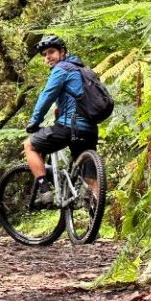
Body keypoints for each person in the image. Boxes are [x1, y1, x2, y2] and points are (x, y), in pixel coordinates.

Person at [24, 35, 98, 206]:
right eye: (44, 55)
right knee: (90, 175)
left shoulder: (62, 69)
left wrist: (35, 121)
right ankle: (95, 216)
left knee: (29, 145)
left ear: (62, 52)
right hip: (90, 129)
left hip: (69, 127)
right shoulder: (84, 70)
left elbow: (47, 96)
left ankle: (44, 191)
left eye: (51, 52)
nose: (47, 57)